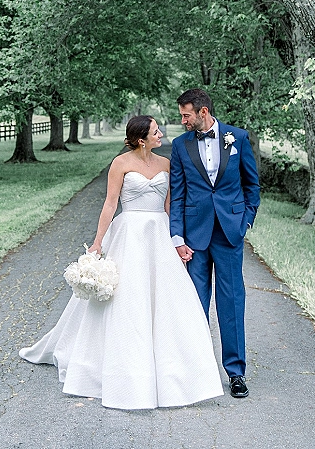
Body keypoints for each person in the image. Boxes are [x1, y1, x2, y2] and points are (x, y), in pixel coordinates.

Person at [19, 115, 223, 410]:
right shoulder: (120, 163)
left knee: (167, 301)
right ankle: (119, 368)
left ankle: (173, 371)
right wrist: (98, 242)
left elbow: (170, 206)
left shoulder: (165, 164)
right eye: (156, 132)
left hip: (158, 234)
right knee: (126, 299)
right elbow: (110, 204)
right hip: (128, 233)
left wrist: (178, 240)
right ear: (142, 139)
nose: (161, 134)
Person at [170, 89, 260, 399]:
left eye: (186, 115)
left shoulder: (238, 138)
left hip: (229, 232)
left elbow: (252, 185)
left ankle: (236, 372)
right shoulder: (180, 146)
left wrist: (245, 220)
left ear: (203, 112)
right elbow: (177, 194)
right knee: (194, 303)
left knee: (232, 302)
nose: (182, 120)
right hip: (194, 237)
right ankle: (195, 369)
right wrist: (177, 237)